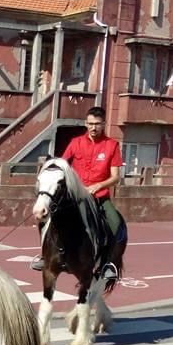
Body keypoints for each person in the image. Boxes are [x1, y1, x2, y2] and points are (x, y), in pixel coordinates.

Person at [31, 106, 124, 278]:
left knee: (116, 225)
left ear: (104, 124)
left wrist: (98, 186)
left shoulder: (112, 145)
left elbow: (115, 177)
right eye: (90, 124)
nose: (93, 128)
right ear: (85, 123)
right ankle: (45, 255)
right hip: (74, 197)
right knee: (44, 217)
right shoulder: (75, 143)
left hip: (99, 197)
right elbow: (61, 165)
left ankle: (109, 263)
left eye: (97, 124)